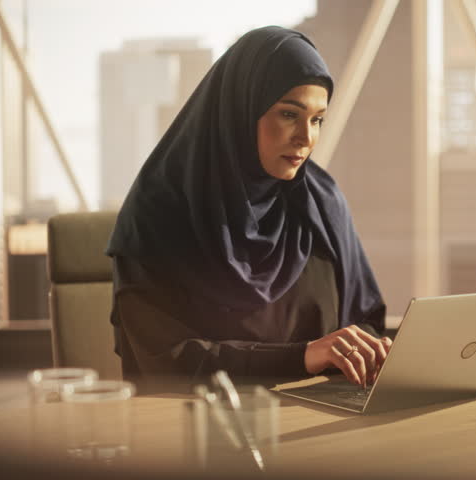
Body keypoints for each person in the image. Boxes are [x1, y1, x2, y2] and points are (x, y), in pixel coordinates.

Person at [106, 26, 391, 393]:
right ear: (240, 111)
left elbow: (366, 319)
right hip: (204, 431)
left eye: (317, 119)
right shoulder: (159, 215)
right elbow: (167, 360)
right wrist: (302, 356)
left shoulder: (321, 201)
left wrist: (364, 349)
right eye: (289, 114)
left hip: (322, 422)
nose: (306, 138)